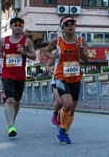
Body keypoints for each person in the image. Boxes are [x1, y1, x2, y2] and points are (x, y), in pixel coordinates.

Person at [44, 16, 88, 144]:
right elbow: (46, 51)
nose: (70, 26)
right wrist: (53, 56)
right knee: (67, 104)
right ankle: (62, 129)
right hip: (61, 76)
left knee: (72, 108)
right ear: (62, 28)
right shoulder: (57, 40)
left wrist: (80, 50)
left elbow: (86, 59)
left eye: (73, 23)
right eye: (67, 24)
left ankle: (64, 133)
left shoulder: (81, 40)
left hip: (75, 77)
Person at [0, 16, 36, 137]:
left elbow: (34, 56)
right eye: (15, 25)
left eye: (20, 25)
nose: (18, 27)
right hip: (7, 74)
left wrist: (24, 52)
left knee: (17, 101)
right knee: (10, 100)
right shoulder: (4, 40)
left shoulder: (27, 41)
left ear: (23, 27)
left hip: (20, 75)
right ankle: (10, 126)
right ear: (11, 26)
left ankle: (12, 120)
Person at [45, 56, 62, 127]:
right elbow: (47, 66)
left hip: (66, 81)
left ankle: (60, 119)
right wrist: (54, 72)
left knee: (65, 102)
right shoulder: (56, 55)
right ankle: (55, 113)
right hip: (56, 81)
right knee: (60, 102)